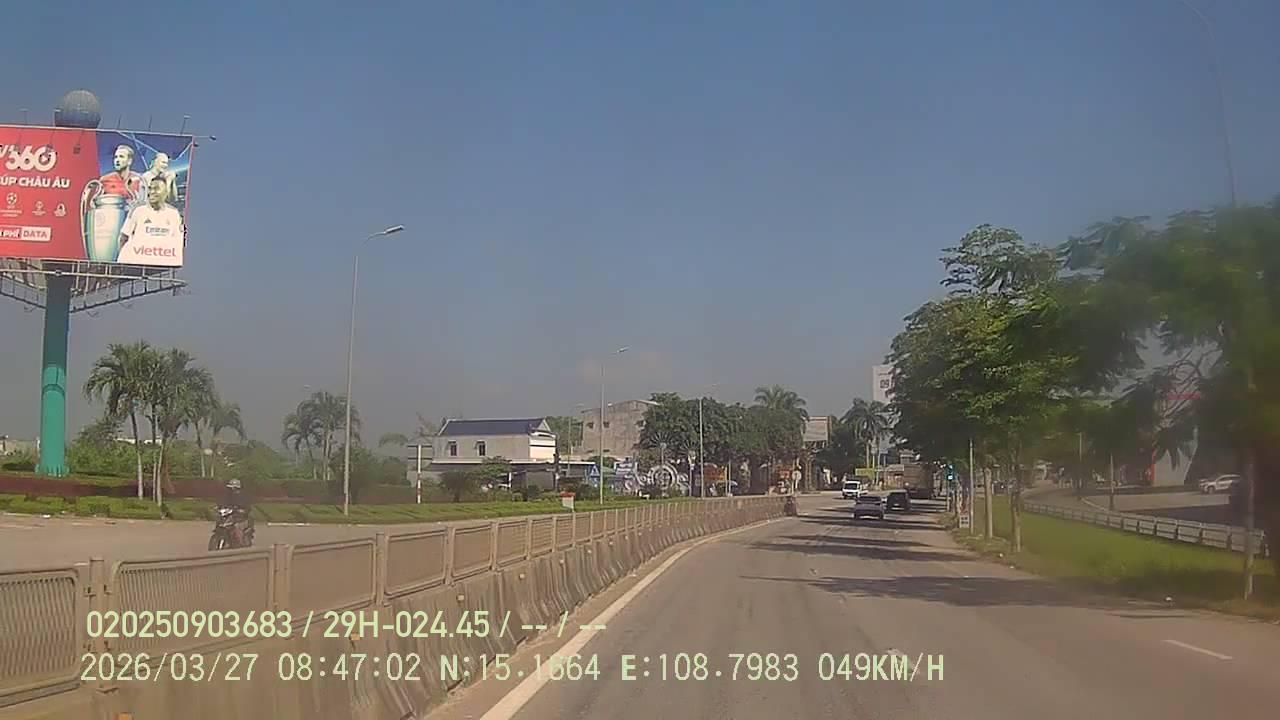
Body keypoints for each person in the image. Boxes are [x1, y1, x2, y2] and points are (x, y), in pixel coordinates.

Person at [118, 175, 185, 262]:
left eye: (156, 189)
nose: (152, 192)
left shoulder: (173, 214)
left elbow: (178, 242)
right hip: (139, 264)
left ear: (166, 192)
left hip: (161, 265)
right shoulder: (138, 211)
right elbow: (123, 238)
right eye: (150, 188)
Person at [222, 479, 254, 543]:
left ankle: (240, 540)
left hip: (241, 516)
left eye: (232, 488)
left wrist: (242, 510)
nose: (231, 489)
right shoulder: (229, 495)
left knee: (237, 526)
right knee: (223, 521)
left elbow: (247, 506)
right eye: (230, 488)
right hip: (231, 514)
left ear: (236, 488)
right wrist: (221, 507)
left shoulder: (243, 496)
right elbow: (224, 502)